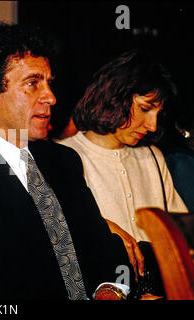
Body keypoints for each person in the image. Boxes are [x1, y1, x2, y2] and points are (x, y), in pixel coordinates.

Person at [0, 22, 133, 300]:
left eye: (49, 84)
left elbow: (106, 251)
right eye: (32, 84)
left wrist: (110, 291)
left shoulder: (64, 162)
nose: (50, 97)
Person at [57, 50, 188, 298]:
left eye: (158, 114)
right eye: (145, 109)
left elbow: (179, 239)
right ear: (114, 97)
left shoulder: (153, 157)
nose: (152, 126)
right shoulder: (63, 157)